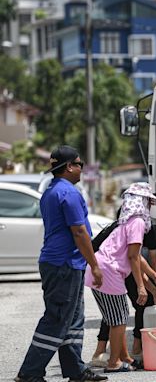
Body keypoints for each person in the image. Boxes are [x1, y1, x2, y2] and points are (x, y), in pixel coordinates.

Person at [15, 145, 107, 382]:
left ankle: (75, 369)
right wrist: (94, 265)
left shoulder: (52, 190)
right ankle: (30, 373)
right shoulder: (69, 193)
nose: (81, 169)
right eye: (80, 164)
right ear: (69, 167)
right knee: (57, 319)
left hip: (65, 264)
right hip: (63, 264)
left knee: (74, 320)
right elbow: (79, 232)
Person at [84, 182, 156, 373]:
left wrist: (153, 277)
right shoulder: (138, 222)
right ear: (142, 202)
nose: (150, 207)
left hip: (103, 269)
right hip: (109, 272)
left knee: (116, 318)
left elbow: (136, 257)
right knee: (119, 320)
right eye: (148, 202)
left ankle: (125, 357)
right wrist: (142, 288)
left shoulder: (126, 221)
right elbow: (133, 257)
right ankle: (113, 363)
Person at [90, 226, 156, 367]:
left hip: (105, 267)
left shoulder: (125, 225)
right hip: (107, 270)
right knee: (116, 314)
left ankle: (124, 356)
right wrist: (146, 287)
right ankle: (114, 360)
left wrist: (153, 285)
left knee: (115, 313)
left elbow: (138, 260)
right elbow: (135, 260)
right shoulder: (136, 226)